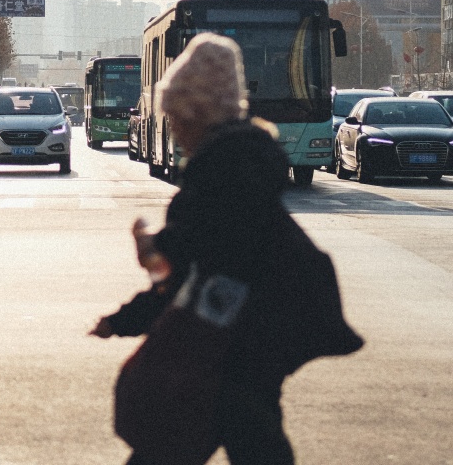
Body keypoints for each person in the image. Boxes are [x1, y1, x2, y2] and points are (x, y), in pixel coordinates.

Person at [90, 33, 362, 465]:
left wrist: (155, 249)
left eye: (177, 116)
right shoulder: (242, 156)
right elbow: (201, 268)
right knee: (239, 432)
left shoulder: (222, 168)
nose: (173, 129)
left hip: (251, 331)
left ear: (198, 111)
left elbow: (200, 255)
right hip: (261, 325)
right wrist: (130, 314)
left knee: (208, 433)